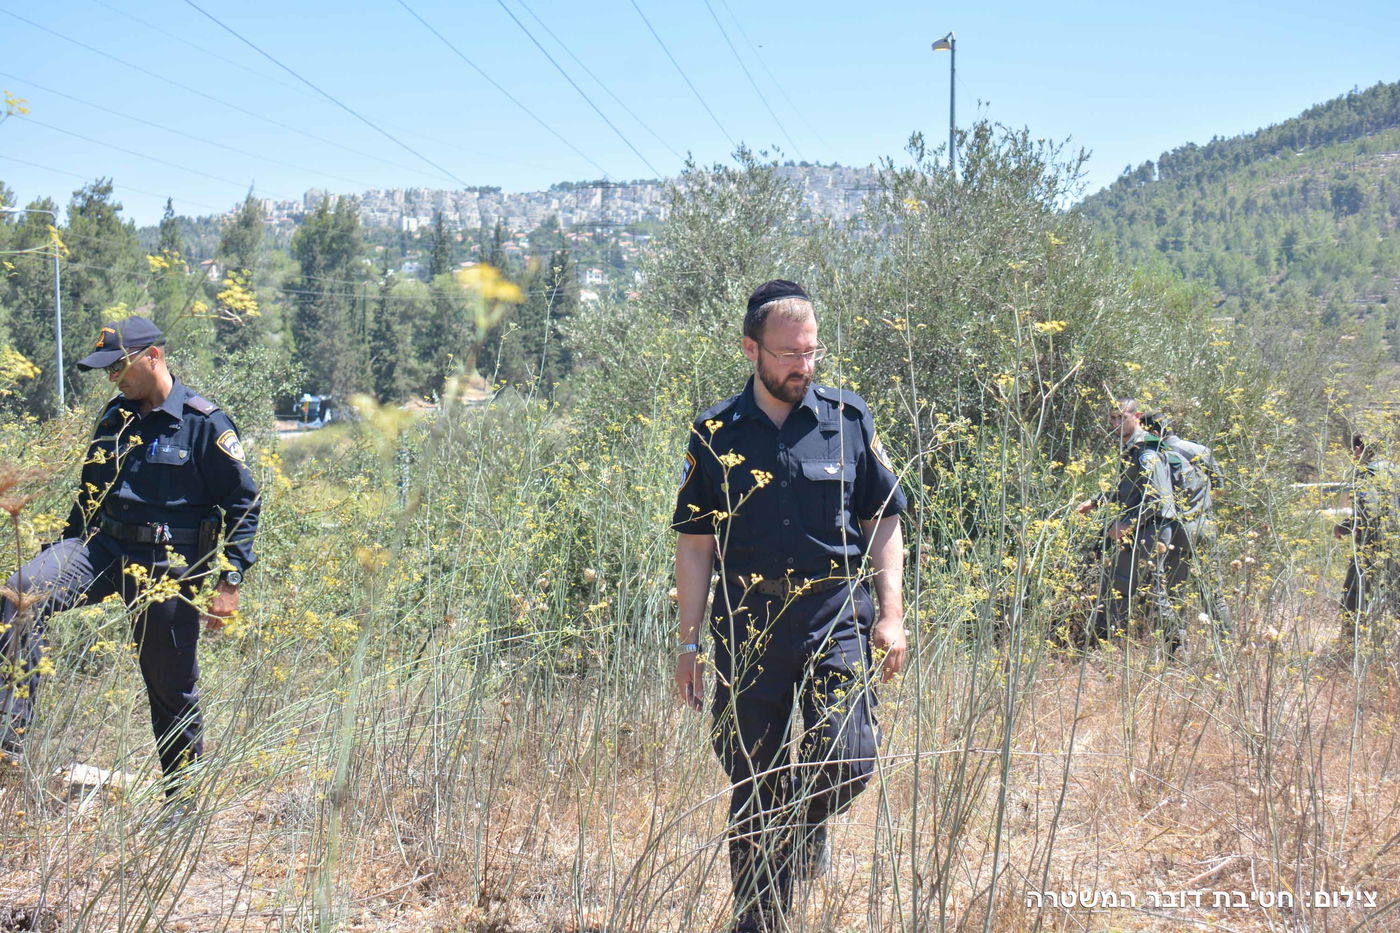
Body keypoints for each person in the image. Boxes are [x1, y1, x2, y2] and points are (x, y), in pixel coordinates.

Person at [671, 280, 907, 932]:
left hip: (835, 614)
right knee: (753, 778)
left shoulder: (847, 419)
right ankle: (759, 920)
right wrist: (689, 644)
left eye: (811, 351)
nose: (803, 365)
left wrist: (891, 612)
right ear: (751, 349)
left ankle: (805, 823)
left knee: (850, 753)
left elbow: (885, 520)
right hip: (747, 623)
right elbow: (695, 544)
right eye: (787, 354)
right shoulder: (716, 432)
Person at [0, 316, 259, 805]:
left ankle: (181, 803)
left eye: (119, 367)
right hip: (102, 548)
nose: (113, 378)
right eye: (107, 371)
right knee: (20, 595)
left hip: (169, 564)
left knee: (169, 686)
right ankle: (8, 744)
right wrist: (61, 550)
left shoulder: (205, 423)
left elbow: (244, 504)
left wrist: (229, 582)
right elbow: (90, 495)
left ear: (153, 357)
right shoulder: (115, 417)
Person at [1075, 398, 1186, 650]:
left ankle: (1176, 648)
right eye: (1112, 418)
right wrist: (1096, 501)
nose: (1115, 423)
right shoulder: (1132, 449)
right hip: (1142, 527)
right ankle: (1107, 644)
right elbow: (1128, 489)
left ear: (1137, 416)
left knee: (1144, 589)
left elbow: (1155, 497)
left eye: (1121, 417)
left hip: (1152, 529)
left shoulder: (1147, 450)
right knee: (1130, 587)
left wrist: (1127, 523)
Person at [1140, 411, 1233, 634]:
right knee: (1214, 594)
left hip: (1178, 530)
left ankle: (1176, 648)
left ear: (1153, 432)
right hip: (1205, 526)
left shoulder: (1157, 456)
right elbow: (1219, 486)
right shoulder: (1200, 450)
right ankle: (1226, 643)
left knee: (1174, 594)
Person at [1335, 433, 1400, 643]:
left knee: (1353, 595)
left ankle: (1349, 644)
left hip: (1371, 544)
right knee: (1395, 595)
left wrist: (1343, 527)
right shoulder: (1394, 470)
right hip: (1395, 543)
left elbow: (1366, 511)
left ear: (1357, 450)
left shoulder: (1366, 473)